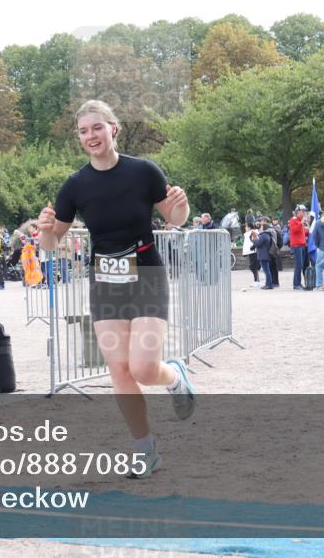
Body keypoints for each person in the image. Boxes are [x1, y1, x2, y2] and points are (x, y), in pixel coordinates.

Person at [37, 99, 196, 479]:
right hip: (105, 280)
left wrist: (181, 207)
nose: (90, 136)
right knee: (120, 370)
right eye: (83, 131)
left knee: (143, 368)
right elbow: (52, 242)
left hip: (146, 274)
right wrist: (44, 229)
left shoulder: (144, 172)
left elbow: (175, 218)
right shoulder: (75, 186)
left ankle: (173, 376)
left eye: (97, 128)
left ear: (114, 129)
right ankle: (146, 451)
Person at [288, 205, 309, 290]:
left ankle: (299, 283)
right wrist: (301, 223)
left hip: (302, 245)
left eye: (304, 211)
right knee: (298, 265)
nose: (304, 213)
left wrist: (308, 231)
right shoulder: (293, 220)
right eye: (303, 211)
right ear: (298, 212)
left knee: (303, 265)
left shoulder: (301, 221)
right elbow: (294, 230)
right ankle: (296, 284)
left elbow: (303, 233)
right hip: (296, 245)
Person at [251, 218, 276, 289]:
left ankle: (269, 285)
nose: (260, 227)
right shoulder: (267, 235)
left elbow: (258, 243)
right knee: (267, 270)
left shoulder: (264, 235)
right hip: (265, 254)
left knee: (266, 270)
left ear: (263, 228)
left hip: (263, 255)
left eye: (261, 226)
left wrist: (254, 238)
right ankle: (268, 284)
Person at [242, 223, 261, 289]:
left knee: (253, 266)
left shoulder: (252, 233)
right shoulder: (248, 234)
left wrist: (253, 247)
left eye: (246, 227)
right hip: (251, 252)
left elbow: (256, 241)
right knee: (253, 267)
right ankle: (256, 280)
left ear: (249, 228)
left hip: (253, 252)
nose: (245, 228)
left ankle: (257, 281)